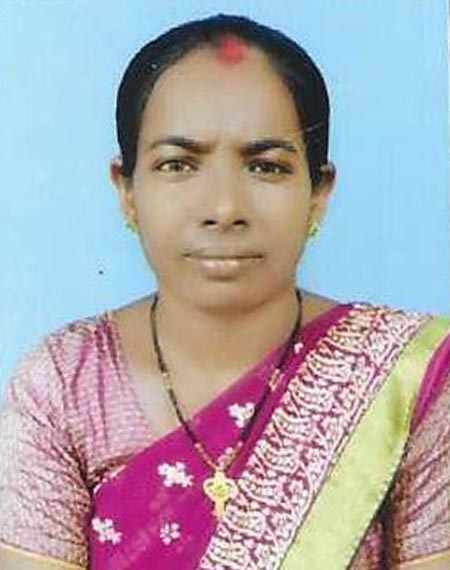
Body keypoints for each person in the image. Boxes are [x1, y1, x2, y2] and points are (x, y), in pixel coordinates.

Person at [0, 13, 449, 570]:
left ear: (318, 192)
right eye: (177, 164)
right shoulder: (65, 384)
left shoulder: (407, 377)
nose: (223, 208)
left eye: (266, 167)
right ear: (127, 190)